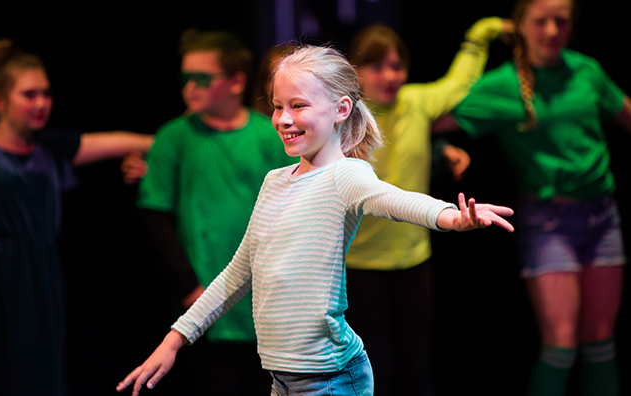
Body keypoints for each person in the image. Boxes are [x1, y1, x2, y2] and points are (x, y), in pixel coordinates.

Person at [117, 44, 515, 396]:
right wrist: (174, 339)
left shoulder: (347, 176)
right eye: (277, 106)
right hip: (281, 378)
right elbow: (238, 273)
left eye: (298, 105)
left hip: (328, 377)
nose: (283, 119)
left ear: (341, 109)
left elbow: (397, 200)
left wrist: (453, 217)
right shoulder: (275, 182)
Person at [433, 0, 631, 394]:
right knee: (560, 342)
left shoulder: (585, 70)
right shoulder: (502, 84)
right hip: (549, 221)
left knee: (601, 340)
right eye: (541, 21)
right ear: (520, 26)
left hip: (603, 214)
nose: (552, 31)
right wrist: (442, 151)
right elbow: (429, 121)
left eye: (562, 21)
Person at [0, 39, 153, 396]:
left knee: (35, 365)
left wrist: (151, 159)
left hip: (36, 273)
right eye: (29, 94)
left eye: (46, 93)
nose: (41, 103)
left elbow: (130, 141)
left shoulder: (52, 148)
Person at [344, 17, 509, 395]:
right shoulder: (346, 118)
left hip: (415, 261)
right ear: (355, 73)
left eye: (397, 65)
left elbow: (459, 82)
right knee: (372, 367)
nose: (390, 75)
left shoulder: (417, 101)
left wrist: (480, 33)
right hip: (360, 266)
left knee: (415, 365)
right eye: (377, 66)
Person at [132, 29, 296, 394]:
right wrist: (188, 286)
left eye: (202, 78)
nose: (190, 86)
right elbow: (155, 214)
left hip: (267, 297)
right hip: (204, 296)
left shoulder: (269, 135)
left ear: (237, 81)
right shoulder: (174, 137)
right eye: (185, 78)